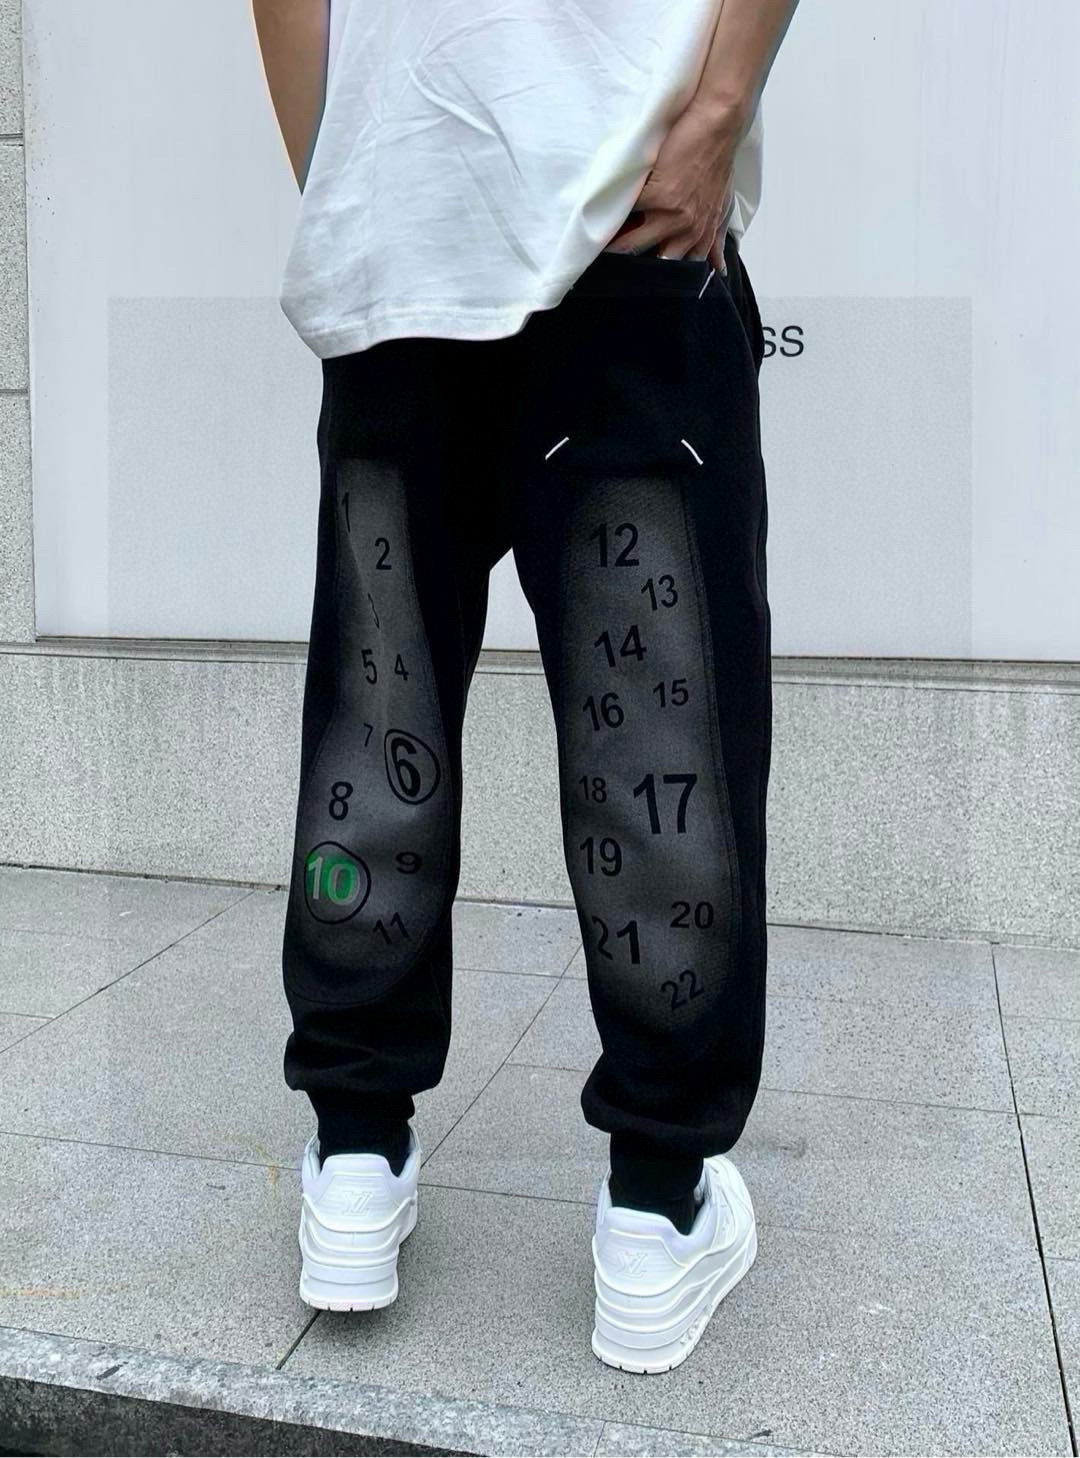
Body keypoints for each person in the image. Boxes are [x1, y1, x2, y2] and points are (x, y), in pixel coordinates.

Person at [252, 0, 796, 1374]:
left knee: (381, 715)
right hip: (627, 215)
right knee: (659, 731)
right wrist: (716, 112)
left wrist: (360, 182)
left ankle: (355, 1160)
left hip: (406, 230)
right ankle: (657, 1208)